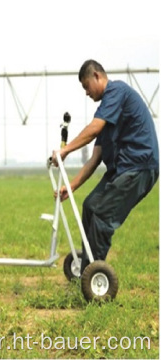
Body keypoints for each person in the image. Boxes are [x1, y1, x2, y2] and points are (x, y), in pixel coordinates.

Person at [52, 59, 159, 274]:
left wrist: (66, 150)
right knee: (90, 206)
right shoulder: (106, 111)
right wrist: (71, 188)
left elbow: (93, 129)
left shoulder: (116, 92)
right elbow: (94, 159)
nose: (86, 92)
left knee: (101, 214)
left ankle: (93, 277)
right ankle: (88, 270)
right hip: (122, 169)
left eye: (86, 86)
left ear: (97, 77)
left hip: (139, 166)